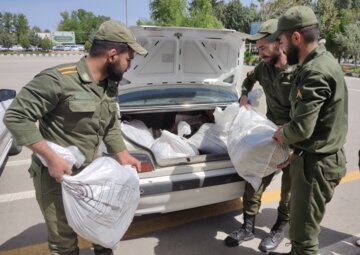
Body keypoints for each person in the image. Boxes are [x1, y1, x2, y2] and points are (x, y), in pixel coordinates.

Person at [4, 20, 147, 255]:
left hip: (94, 176)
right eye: (128, 59)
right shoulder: (58, 80)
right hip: (57, 178)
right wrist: (51, 158)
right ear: (113, 54)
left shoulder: (109, 84)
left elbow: (109, 124)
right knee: (64, 243)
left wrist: (123, 154)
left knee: (103, 231)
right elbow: (16, 117)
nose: (129, 65)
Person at [271, 6, 348, 255]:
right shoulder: (323, 61)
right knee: (301, 228)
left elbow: (302, 128)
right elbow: (317, 124)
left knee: (304, 239)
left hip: (315, 167)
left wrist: (282, 134)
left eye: (281, 41)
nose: (280, 48)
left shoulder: (314, 71)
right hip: (315, 157)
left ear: (296, 38)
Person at [224, 19, 294, 253]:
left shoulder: (299, 72)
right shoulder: (263, 69)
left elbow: (313, 117)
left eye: (263, 46)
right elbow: (248, 79)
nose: (259, 51)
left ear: (279, 44)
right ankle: (248, 227)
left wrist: (294, 149)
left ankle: (278, 228)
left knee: (288, 192)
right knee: (254, 178)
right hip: (270, 135)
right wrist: (244, 95)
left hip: (296, 140)